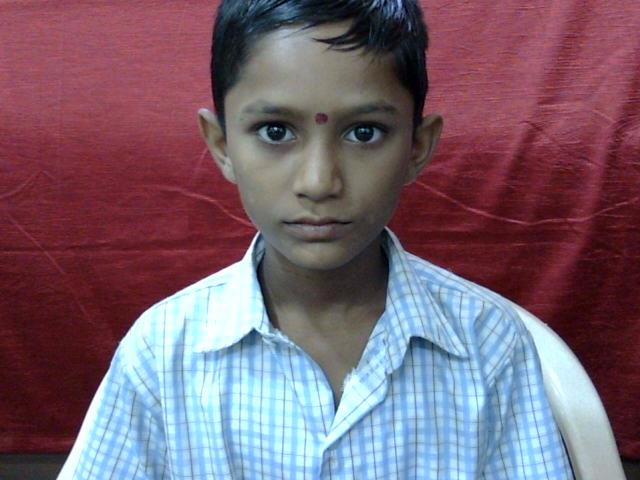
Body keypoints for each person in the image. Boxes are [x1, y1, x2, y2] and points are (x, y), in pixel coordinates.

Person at [59, 0, 573, 478]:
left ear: (418, 148)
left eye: (364, 132)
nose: (319, 182)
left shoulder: (488, 344)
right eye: (276, 131)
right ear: (221, 144)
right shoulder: (162, 352)